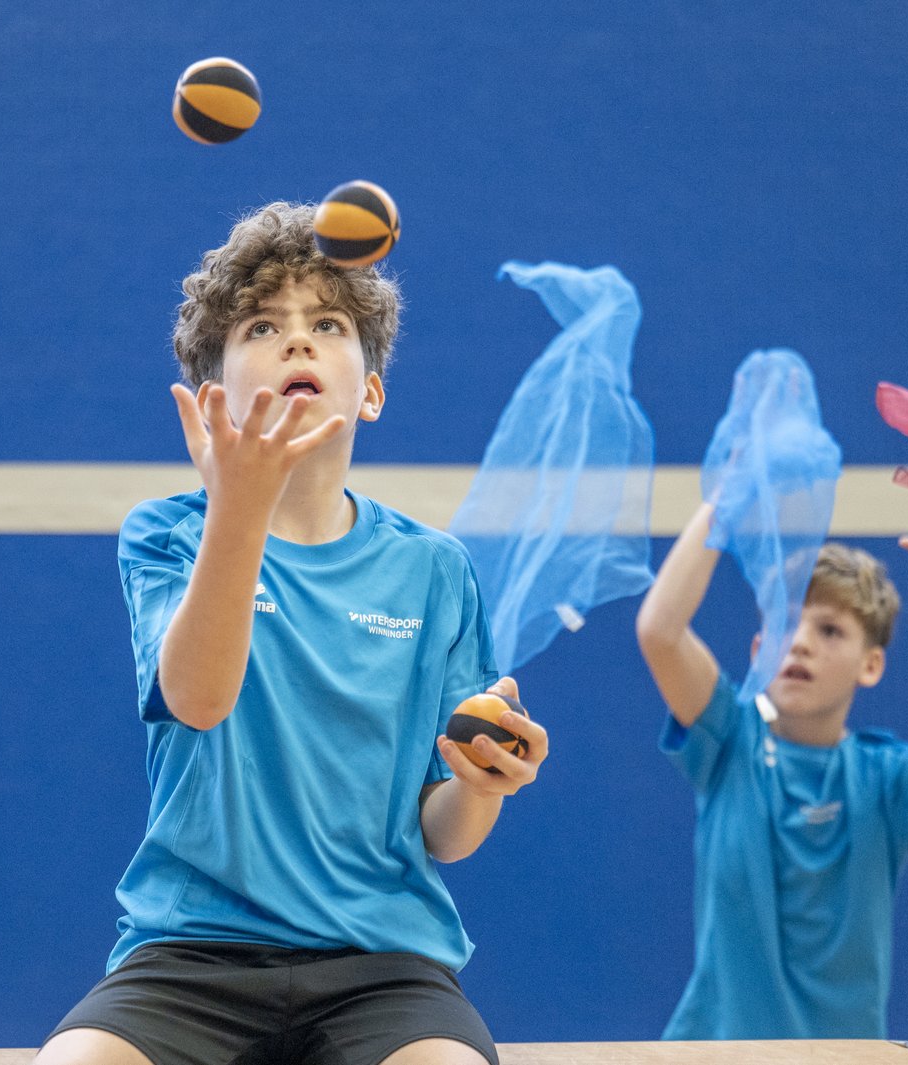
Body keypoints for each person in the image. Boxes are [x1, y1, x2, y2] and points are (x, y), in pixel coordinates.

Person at [36, 202, 549, 1065]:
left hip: (383, 964)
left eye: (329, 324)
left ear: (371, 391)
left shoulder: (433, 568)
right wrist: (239, 505)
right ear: (216, 397)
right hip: (191, 954)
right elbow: (198, 698)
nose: (298, 340)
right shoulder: (168, 533)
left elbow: (445, 833)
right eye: (263, 326)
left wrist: (483, 781)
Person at [635, 496, 908, 1039]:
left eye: (829, 630)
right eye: (785, 624)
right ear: (758, 649)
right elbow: (659, 631)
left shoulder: (887, 780)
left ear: (871, 665)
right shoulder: (730, 741)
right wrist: (725, 499)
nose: (799, 643)